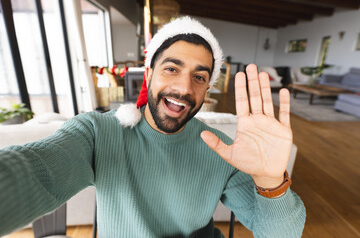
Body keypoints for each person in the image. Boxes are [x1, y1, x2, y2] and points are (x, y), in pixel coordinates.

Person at [0, 17, 305, 237]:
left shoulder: (224, 149)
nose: (184, 87)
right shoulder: (98, 132)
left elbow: (279, 233)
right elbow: (34, 171)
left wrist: (270, 180)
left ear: (207, 88)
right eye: (172, 68)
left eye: (199, 77)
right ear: (148, 75)